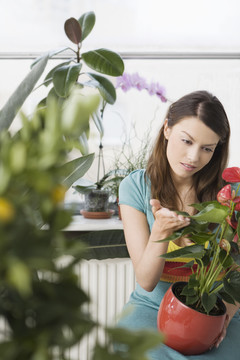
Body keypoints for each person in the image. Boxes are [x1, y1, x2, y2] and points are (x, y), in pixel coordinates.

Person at [116, 90, 240, 359]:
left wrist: (225, 318)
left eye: (207, 148)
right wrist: (160, 231)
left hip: (218, 310)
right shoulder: (136, 187)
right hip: (153, 309)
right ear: (167, 129)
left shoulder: (232, 195)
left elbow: (237, 272)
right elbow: (147, 281)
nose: (194, 157)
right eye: (187, 141)